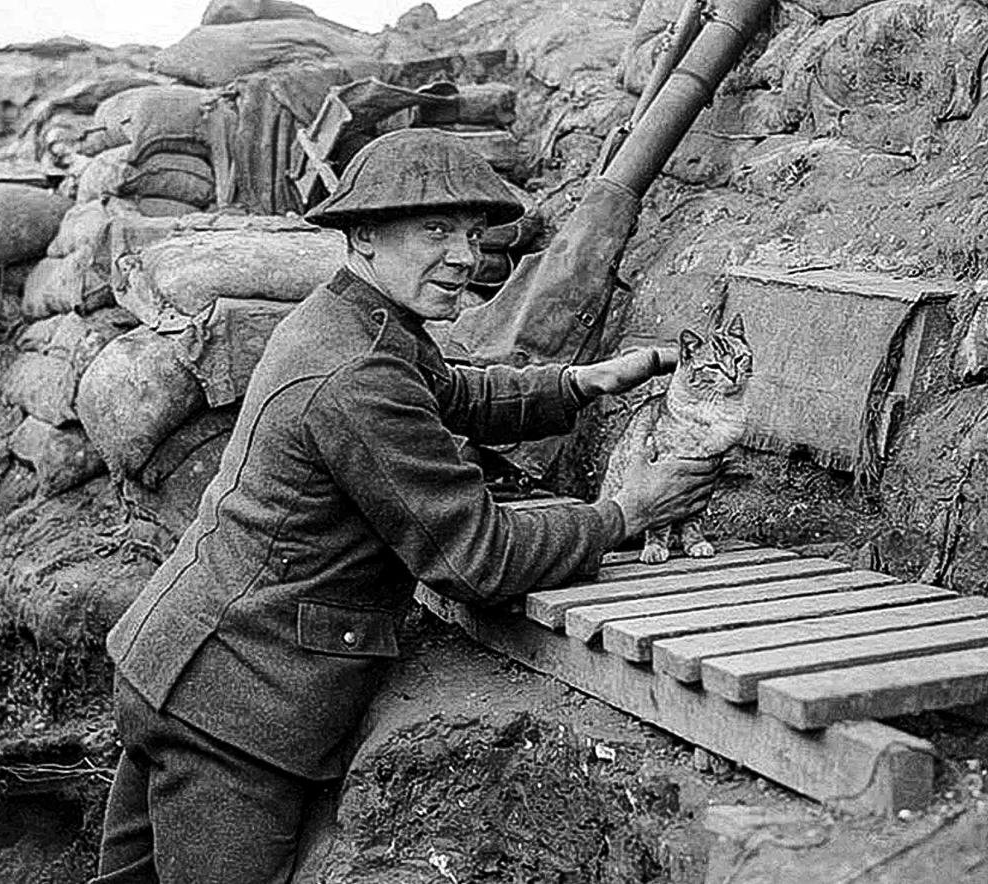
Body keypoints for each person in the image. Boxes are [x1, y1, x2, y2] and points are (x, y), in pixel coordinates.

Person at [92, 128, 719, 883]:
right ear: (362, 234)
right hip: (234, 708)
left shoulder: (355, 321)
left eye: (471, 234)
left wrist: (581, 383)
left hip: (178, 656)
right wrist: (624, 513)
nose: (463, 256)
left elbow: (452, 392)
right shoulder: (358, 370)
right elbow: (476, 558)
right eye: (435, 230)